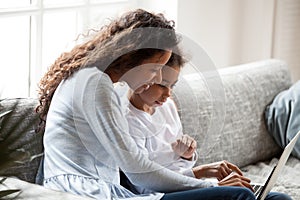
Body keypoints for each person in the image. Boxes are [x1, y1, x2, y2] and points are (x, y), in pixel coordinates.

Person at [36, 9, 290, 200]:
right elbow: (137, 170)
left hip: (112, 190)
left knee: (278, 199)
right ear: (133, 57)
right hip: (87, 194)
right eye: (156, 68)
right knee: (239, 196)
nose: (157, 78)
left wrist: (200, 175)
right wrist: (209, 186)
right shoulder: (94, 84)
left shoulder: (100, 83)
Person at [123, 51, 293, 200]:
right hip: (158, 194)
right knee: (242, 195)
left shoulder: (166, 106)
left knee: (279, 198)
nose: (168, 93)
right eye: (162, 85)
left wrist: (186, 155)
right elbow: (143, 185)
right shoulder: (127, 120)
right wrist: (202, 173)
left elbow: (177, 165)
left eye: (172, 86)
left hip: (185, 185)